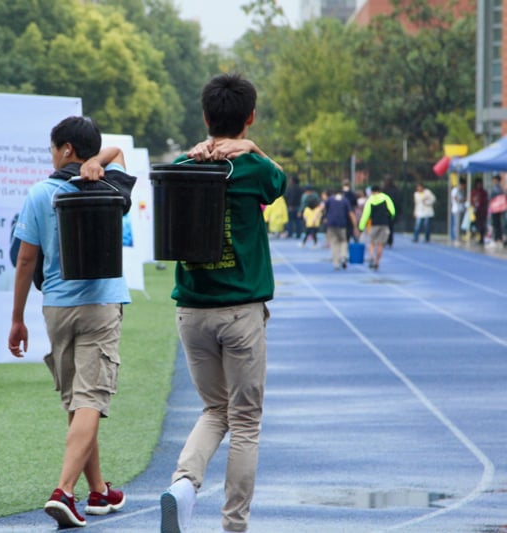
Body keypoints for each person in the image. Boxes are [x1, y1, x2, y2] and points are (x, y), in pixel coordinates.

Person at [158, 73, 287, 533]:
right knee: (245, 422)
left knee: (216, 410)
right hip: (240, 312)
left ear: (206, 116)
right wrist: (252, 150)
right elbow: (279, 183)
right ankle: (234, 525)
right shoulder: (254, 170)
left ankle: (184, 484)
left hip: (192, 311)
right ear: (250, 117)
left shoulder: (182, 164)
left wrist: (195, 150)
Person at [8, 116, 133, 528]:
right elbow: (118, 154)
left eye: (53, 148)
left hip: (57, 308)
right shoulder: (109, 184)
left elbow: (26, 260)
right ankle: (63, 490)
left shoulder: (39, 193)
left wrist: (17, 320)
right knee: (90, 400)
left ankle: (98, 490)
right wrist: (98, 161)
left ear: (64, 149)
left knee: (80, 402)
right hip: (101, 306)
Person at [358, 184, 395, 271]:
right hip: (384, 224)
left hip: (374, 224)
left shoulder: (370, 200)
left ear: (372, 192)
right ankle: (377, 262)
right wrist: (390, 219)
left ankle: (371, 257)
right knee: (380, 244)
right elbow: (392, 211)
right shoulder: (386, 198)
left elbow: (365, 214)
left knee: (371, 242)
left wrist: (361, 226)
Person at [323, 187, 357, 269]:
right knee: (343, 241)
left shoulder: (330, 199)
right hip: (342, 224)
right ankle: (343, 256)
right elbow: (351, 214)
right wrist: (355, 226)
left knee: (334, 243)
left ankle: (336, 263)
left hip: (331, 224)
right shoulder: (345, 200)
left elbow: (321, 208)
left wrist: (315, 218)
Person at [470, 177, 489, 245]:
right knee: (475, 224)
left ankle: (482, 237)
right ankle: (475, 236)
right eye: (478, 184)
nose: (479, 185)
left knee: (482, 225)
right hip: (476, 211)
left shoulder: (484, 192)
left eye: (480, 184)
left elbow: (486, 201)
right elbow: (471, 201)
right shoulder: (473, 192)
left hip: (482, 211)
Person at [382, 175, 400, 246]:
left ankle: (386, 239)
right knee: (390, 226)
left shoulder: (384, 189)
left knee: (385, 226)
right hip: (392, 210)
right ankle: (390, 240)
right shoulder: (395, 189)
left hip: (386, 210)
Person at [450, 177, 467, 243]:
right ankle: (455, 237)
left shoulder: (462, 191)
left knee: (460, 224)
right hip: (456, 209)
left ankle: (459, 236)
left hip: (461, 209)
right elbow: (456, 199)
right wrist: (463, 200)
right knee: (456, 224)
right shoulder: (455, 190)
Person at [489, 174, 504, 245]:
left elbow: (494, 198)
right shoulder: (499, 188)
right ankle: (498, 238)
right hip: (496, 208)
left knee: (496, 224)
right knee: (497, 224)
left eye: (494, 179)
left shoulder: (497, 188)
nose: (493, 181)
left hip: (496, 208)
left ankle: (497, 239)